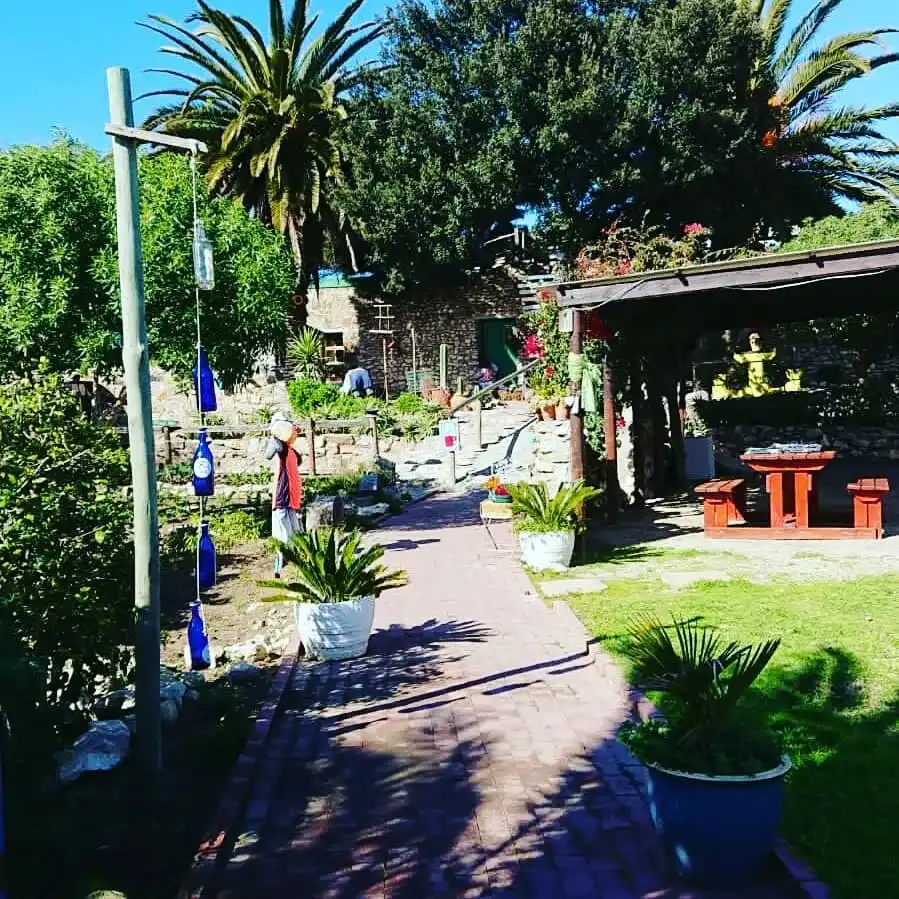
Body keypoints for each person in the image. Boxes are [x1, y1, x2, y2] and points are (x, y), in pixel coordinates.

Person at [264, 411, 304, 578]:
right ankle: (281, 562)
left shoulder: (291, 451)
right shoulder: (278, 446)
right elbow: (268, 454)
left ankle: (296, 558)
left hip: (290, 496)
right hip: (282, 495)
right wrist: (275, 437)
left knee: (294, 530)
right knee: (283, 532)